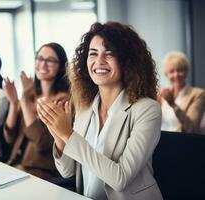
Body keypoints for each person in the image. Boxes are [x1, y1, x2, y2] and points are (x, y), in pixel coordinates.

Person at [37, 22, 163, 200]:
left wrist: (68, 134)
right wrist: (59, 137)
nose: (99, 61)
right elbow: (67, 171)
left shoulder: (148, 109)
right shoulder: (85, 108)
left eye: (109, 54)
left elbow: (120, 178)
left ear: (128, 61)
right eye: (93, 53)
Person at [3, 43, 70, 180]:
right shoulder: (30, 95)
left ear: (61, 65)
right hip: (15, 166)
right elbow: (9, 137)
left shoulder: (64, 101)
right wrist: (14, 103)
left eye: (50, 60)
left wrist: (24, 100)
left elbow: (42, 143)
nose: (43, 64)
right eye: (39, 58)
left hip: (40, 173)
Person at [158, 51, 205, 133]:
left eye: (180, 70)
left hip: (181, 143)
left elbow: (192, 128)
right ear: (166, 74)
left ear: (186, 72)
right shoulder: (161, 95)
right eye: (172, 71)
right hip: (161, 141)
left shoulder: (198, 94)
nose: (176, 75)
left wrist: (173, 104)